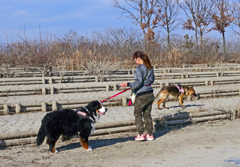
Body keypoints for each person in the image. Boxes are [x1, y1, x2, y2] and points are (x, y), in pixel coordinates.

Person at [120, 51, 155, 141]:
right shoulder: (150, 68)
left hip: (142, 94)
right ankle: (150, 134)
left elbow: (138, 82)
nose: (135, 61)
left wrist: (127, 84)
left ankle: (140, 134)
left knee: (138, 114)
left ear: (138, 59)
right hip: (150, 93)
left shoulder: (139, 69)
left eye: (135, 60)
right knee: (147, 114)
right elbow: (152, 80)